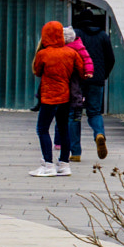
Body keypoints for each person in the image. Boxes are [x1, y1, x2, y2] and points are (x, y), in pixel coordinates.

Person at [32, 20, 81, 177]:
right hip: (65, 97)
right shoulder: (71, 53)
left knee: (42, 129)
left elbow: (37, 71)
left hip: (49, 97)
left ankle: (48, 164)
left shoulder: (43, 54)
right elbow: (80, 69)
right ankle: (64, 164)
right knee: (63, 129)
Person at [73, 7, 115, 160]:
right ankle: (99, 133)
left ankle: (75, 153)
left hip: (78, 80)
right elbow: (111, 59)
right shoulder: (103, 35)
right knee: (95, 112)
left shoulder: (76, 34)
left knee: (75, 114)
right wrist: (103, 75)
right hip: (97, 79)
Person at [61, 25, 97, 163]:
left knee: (64, 118)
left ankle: (65, 147)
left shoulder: (64, 51)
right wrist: (88, 72)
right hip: (76, 89)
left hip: (65, 89)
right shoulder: (79, 47)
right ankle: (75, 151)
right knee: (74, 118)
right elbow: (86, 62)